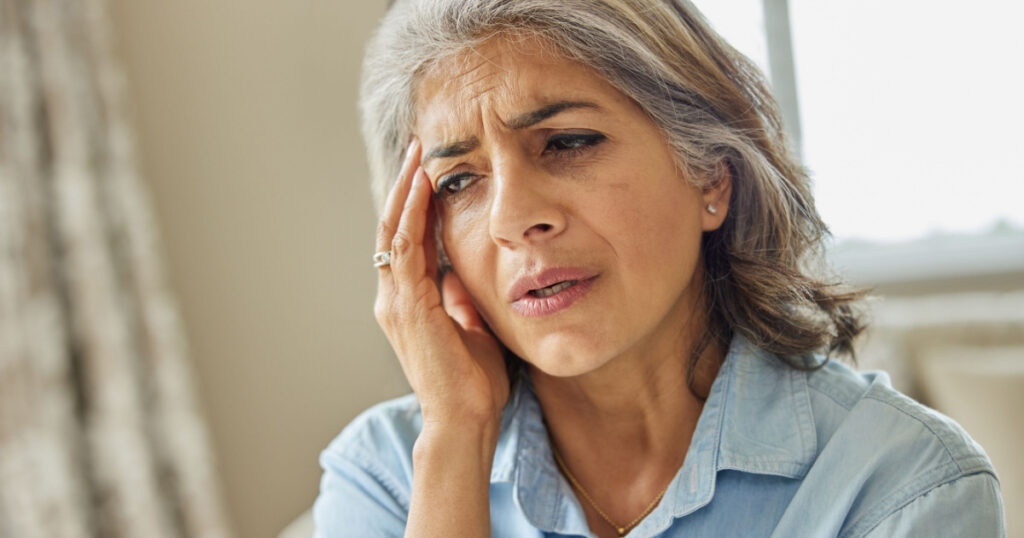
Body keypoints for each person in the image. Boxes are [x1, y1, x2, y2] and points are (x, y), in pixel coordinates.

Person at [313, 0, 1006, 536]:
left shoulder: (906, 482)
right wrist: (457, 437)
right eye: (460, 181)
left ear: (710, 173)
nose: (511, 218)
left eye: (568, 142)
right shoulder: (386, 474)